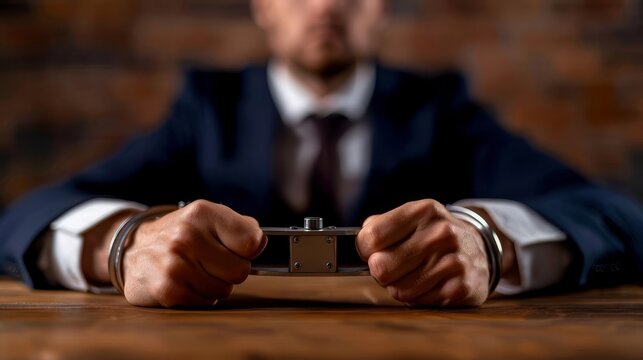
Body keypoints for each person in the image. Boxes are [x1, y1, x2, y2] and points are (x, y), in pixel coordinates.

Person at [1, 0, 641, 308]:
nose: (327, 4)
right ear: (262, 8)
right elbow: (32, 214)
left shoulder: (439, 109)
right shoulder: (208, 107)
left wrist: (491, 242)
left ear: (380, 9)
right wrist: (121, 244)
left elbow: (614, 214)